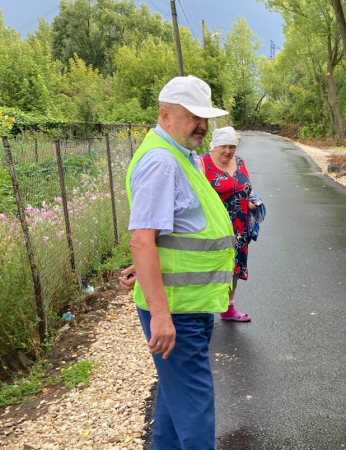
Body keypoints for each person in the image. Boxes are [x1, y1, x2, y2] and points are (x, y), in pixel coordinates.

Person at [117, 75, 233, 449]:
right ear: (165, 115)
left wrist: (150, 265)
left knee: (174, 401)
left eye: (206, 118)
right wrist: (161, 316)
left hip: (189, 305)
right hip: (177, 312)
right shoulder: (162, 162)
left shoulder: (182, 156)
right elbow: (142, 239)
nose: (202, 125)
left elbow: (165, 232)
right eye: (192, 116)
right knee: (196, 408)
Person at [201, 126, 262, 322]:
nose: (228, 151)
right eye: (224, 146)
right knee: (211, 266)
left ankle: (228, 307)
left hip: (239, 226)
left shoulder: (241, 162)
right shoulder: (202, 163)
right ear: (214, 145)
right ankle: (202, 308)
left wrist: (252, 201)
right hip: (213, 227)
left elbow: (246, 187)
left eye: (232, 146)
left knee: (234, 266)